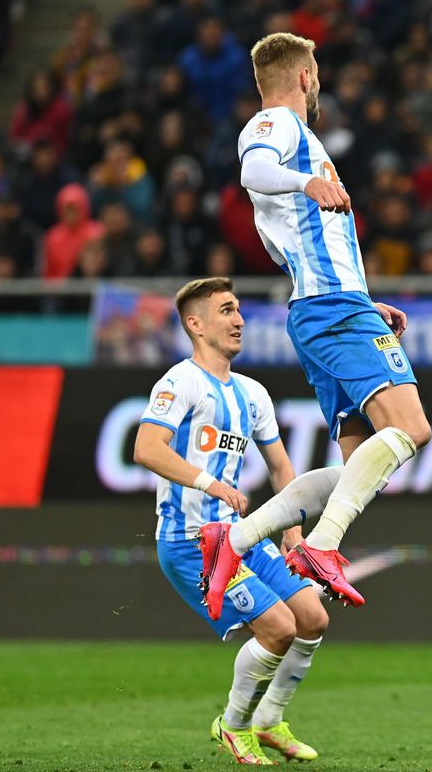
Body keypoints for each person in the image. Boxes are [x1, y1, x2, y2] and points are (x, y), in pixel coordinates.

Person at [196, 32, 431, 612]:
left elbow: (299, 241)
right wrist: (310, 181)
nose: (318, 81)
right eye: (317, 72)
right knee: (414, 429)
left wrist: (362, 299)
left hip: (327, 305)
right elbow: (254, 171)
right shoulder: (275, 127)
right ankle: (320, 544)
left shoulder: (300, 140)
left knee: (360, 469)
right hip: (331, 308)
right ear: (304, 77)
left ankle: (238, 537)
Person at [133, 277, 336, 764]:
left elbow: (282, 468)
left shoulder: (252, 394)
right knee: (278, 629)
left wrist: (293, 533)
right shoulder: (178, 383)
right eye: (226, 310)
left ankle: (268, 721)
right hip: (190, 542)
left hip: (243, 538)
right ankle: (233, 723)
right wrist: (209, 483)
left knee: (312, 618)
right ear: (196, 325)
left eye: (239, 310)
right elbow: (145, 448)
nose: (239, 319)